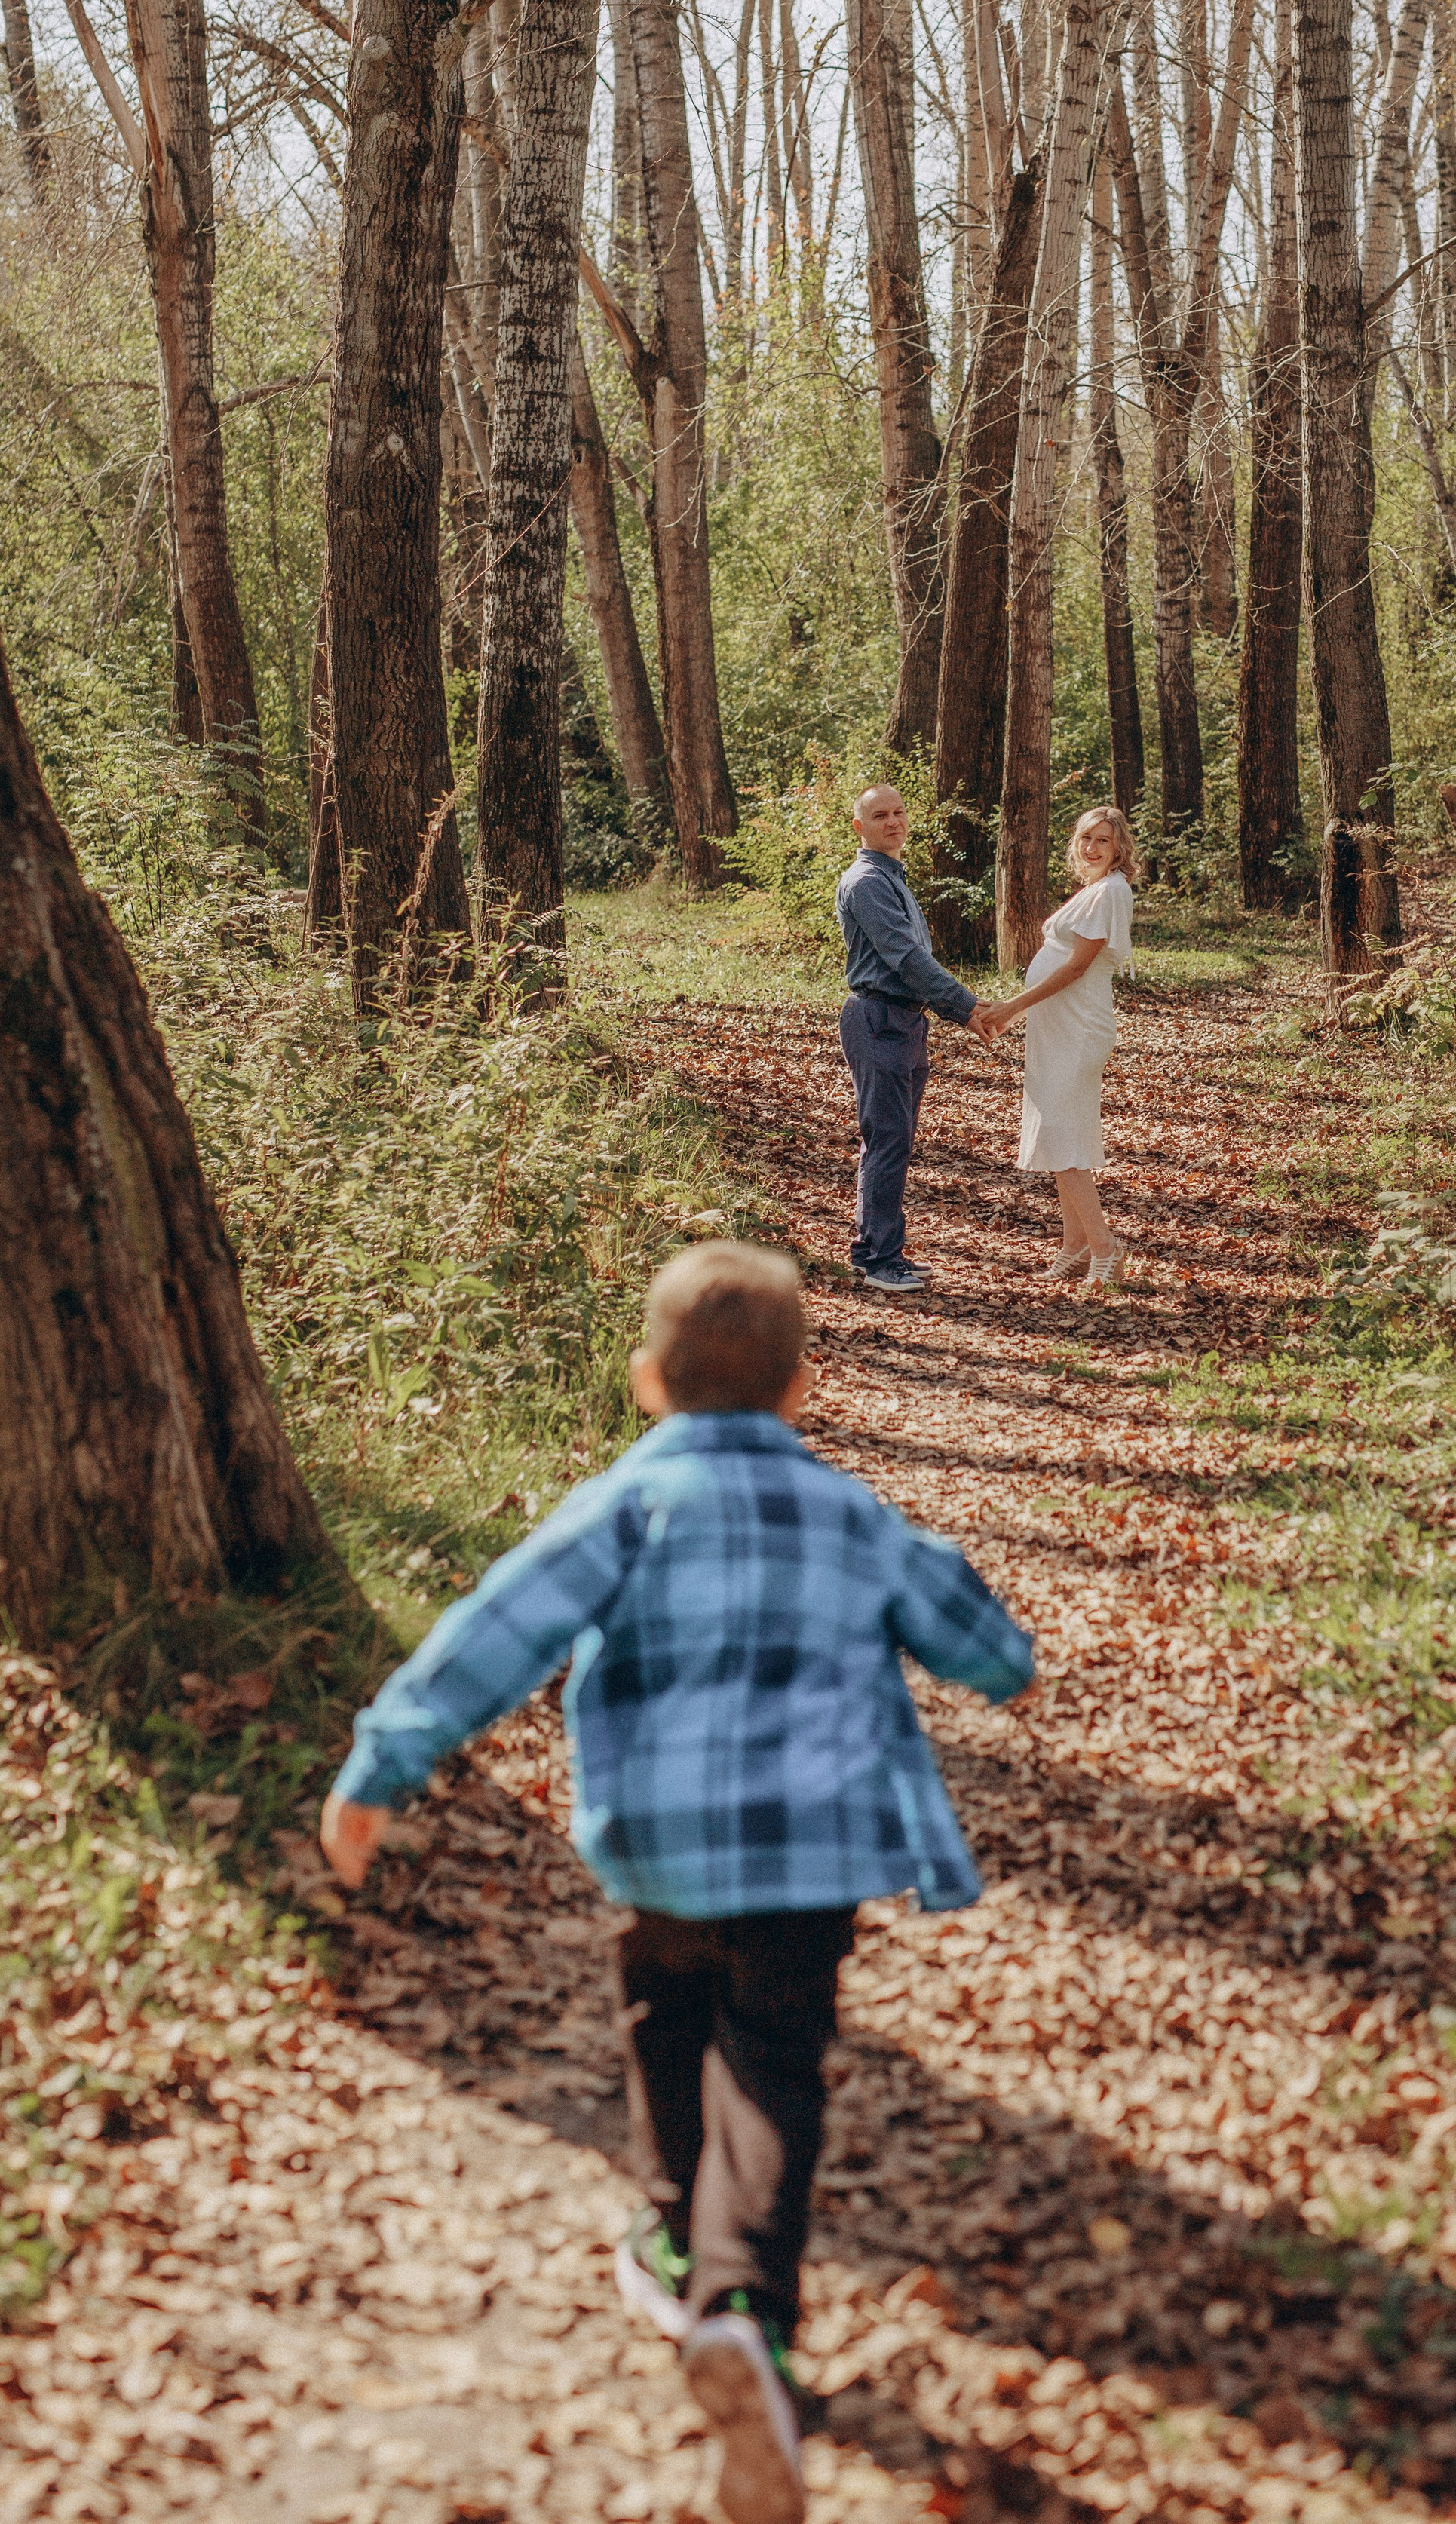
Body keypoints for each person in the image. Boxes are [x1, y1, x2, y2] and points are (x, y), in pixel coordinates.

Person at [319, 1241, 1033, 2524]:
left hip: (661, 1845)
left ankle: (670, 2231)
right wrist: (1000, 1661)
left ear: (649, 1381)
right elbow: (984, 1643)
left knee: (667, 2009)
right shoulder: (850, 1514)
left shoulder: (624, 1505)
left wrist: (380, 1767)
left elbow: (498, 1628)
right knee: (774, 2056)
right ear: (800, 1389)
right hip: (810, 1853)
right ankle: (743, 2304)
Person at [834, 782, 995, 1293]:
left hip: (905, 1021)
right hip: (879, 1019)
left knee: (894, 1140)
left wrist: (954, 1008)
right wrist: (967, 1008)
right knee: (886, 1140)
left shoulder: (893, 878)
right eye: (880, 815)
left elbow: (912, 963)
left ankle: (880, 1249)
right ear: (860, 827)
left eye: (899, 812)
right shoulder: (867, 881)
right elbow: (905, 958)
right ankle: (878, 1260)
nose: (893, 822)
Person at [977, 805, 1137, 1287]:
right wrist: (1015, 1012)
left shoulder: (1112, 889)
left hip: (1079, 1027)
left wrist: (1010, 1007)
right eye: (1086, 837)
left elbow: (1074, 968)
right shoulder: (1092, 890)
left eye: (1103, 841)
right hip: (1056, 1028)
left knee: (1062, 1136)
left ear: (1119, 850)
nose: (1092, 847)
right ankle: (1076, 1245)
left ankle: (1105, 1246)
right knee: (1060, 1134)